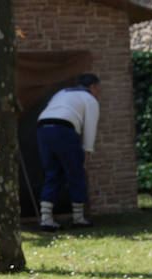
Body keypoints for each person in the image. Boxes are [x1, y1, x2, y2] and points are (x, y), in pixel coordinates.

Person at [35, 73, 100, 231]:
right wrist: (86, 154)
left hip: (43, 127)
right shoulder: (89, 99)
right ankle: (78, 218)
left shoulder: (62, 93)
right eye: (98, 88)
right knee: (76, 172)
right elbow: (90, 129)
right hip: (64, 129)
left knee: (52, 173)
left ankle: (46, 219)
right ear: (92, 86)